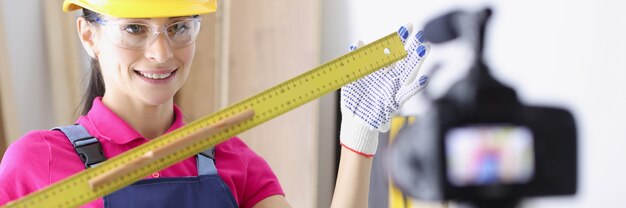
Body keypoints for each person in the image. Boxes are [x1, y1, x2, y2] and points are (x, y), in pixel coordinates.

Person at [0, 0, 430, 207]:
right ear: (88, 35)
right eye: (134, 29)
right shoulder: (38, 165)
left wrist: (359, 137)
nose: (161, 53)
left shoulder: (232, 161)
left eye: (179, 28)